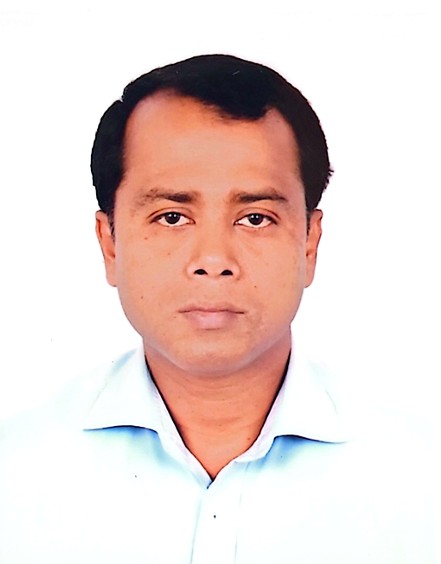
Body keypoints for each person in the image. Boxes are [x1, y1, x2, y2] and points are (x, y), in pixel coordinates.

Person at [0, 54, 434, 563]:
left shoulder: (424, 481)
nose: (213, 260)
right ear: (110, 243)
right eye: (171, 216)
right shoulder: (14, 474)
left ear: (309, 244)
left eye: (255, 218)